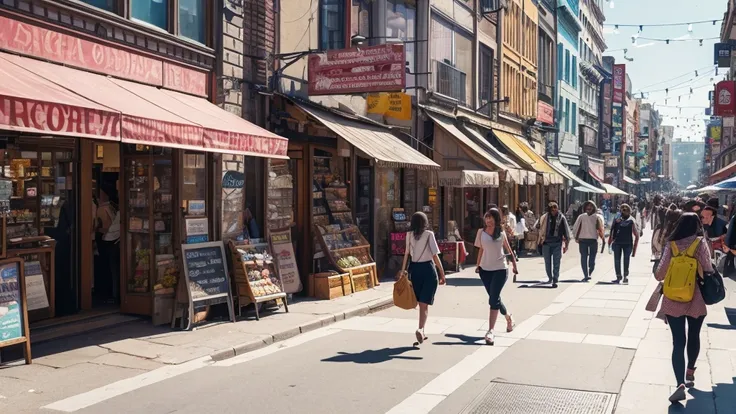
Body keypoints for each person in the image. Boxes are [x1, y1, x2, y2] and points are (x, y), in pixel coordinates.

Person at [654, 213, 714, 403]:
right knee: (694, 335)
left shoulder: (671, 244)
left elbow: (660, 273)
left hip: (673, 298)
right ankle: (690, 372)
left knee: (678, 341)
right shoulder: (699, 243)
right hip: (695, 297)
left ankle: (679, 383)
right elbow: (708, 268)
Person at [400, 212, 446, 345]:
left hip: (414, 270)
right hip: (428, 270)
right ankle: (421, 329)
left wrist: (403, 271)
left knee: (420, 302)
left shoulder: (408, 235)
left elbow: (406, 254)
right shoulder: (429, 235)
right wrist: (442, 273)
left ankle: (422, 329)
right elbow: (435, 255)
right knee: (424, 305)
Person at [475, 208, 518, 345]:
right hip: (485, 270)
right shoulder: (481, 233)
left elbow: (508, 249)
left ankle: (490, 331)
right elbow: (481, 249)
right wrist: (477, 265)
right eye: (486, 218)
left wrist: (514, 265)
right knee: (495, 298)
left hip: (500, 269)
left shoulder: (501, 232)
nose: (488, 220)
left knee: (493, 299)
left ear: (496, 219)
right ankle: (508, 317)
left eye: (490, 217)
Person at [536, 202, 571, 288]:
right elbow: (537, 226)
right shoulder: (544, 217)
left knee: (556, 262)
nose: (554, 210)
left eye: (556, 208)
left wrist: (566, 244)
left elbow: (566, 231)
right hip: (546, 243)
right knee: (547, 262)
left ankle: (555, 278)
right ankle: (550, 277)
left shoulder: (561, 218)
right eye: (552, 209)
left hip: (557, 243)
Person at [96, 183, 120, 303]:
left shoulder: (101, 209)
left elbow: (104, 227)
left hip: (108, 240)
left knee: (110, 269)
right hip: (117, 240)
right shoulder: (113, 207)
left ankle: (113, 294)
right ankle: (116, 294)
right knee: (115, 269)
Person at [573, 201, 605, 282]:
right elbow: (576, 227)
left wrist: (603, 239)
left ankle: (590, 271)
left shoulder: (597, 217)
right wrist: (576, 237)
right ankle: (586, 275)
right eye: (587, 206)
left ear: (594, 207)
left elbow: (600, 229)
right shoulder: (581, 217)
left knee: (592, 259)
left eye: (591, 206)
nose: (589, 208)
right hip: (582, 240)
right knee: (583, 257)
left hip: (593, 240)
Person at [608, 203, 639, 284]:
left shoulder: (631, 220)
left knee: (626, 260)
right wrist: (609, 243)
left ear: (629, 211)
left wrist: (634, 249)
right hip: (617, 243)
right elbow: (612, 231)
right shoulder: (616, 219)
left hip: (627, 243)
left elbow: (636, 234)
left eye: (626, 209)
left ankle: (625, 276)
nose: (624, 211)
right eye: (622, 209)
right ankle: (618, 277)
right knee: (617, 260)